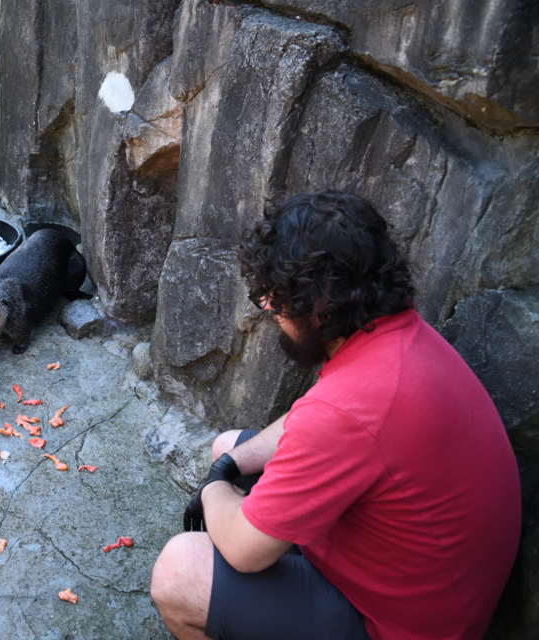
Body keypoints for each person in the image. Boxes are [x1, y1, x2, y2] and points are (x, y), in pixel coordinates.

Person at [150, 192, 521, 640]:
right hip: (412, 579)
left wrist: (212, 488)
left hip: (397, 625)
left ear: (320, 302)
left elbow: (245, 550)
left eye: (273, 297)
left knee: (180, 571)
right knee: (229, 445)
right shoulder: (393, 336)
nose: (266, 308)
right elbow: (312, 419)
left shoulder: (348, 410)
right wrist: (228, 464)